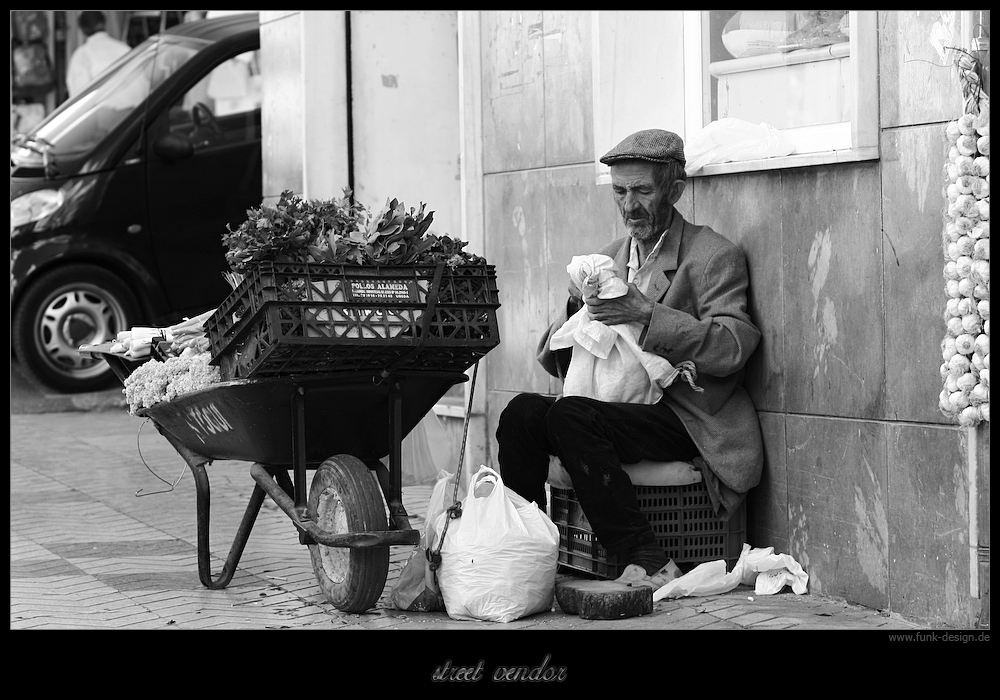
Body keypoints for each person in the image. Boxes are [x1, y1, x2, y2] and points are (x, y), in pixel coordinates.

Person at [495, 128, 764, 585]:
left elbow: (733, 346)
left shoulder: (713, 254)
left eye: (641, 190)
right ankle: (529, 546)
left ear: (675, 190)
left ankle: (648, 558)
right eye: (619, 191)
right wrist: (576, 311)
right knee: (521, 412)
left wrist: (645, 314)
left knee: (570, 419)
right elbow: (559, 357)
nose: (628, 205)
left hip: (687, 415)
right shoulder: (607, 258)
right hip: (616, 403)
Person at [66, 11, 130, 98]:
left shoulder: (81, 55)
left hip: (105, 109)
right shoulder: (125, 49)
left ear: (82, 29)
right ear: (104, 23)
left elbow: (79, 97)